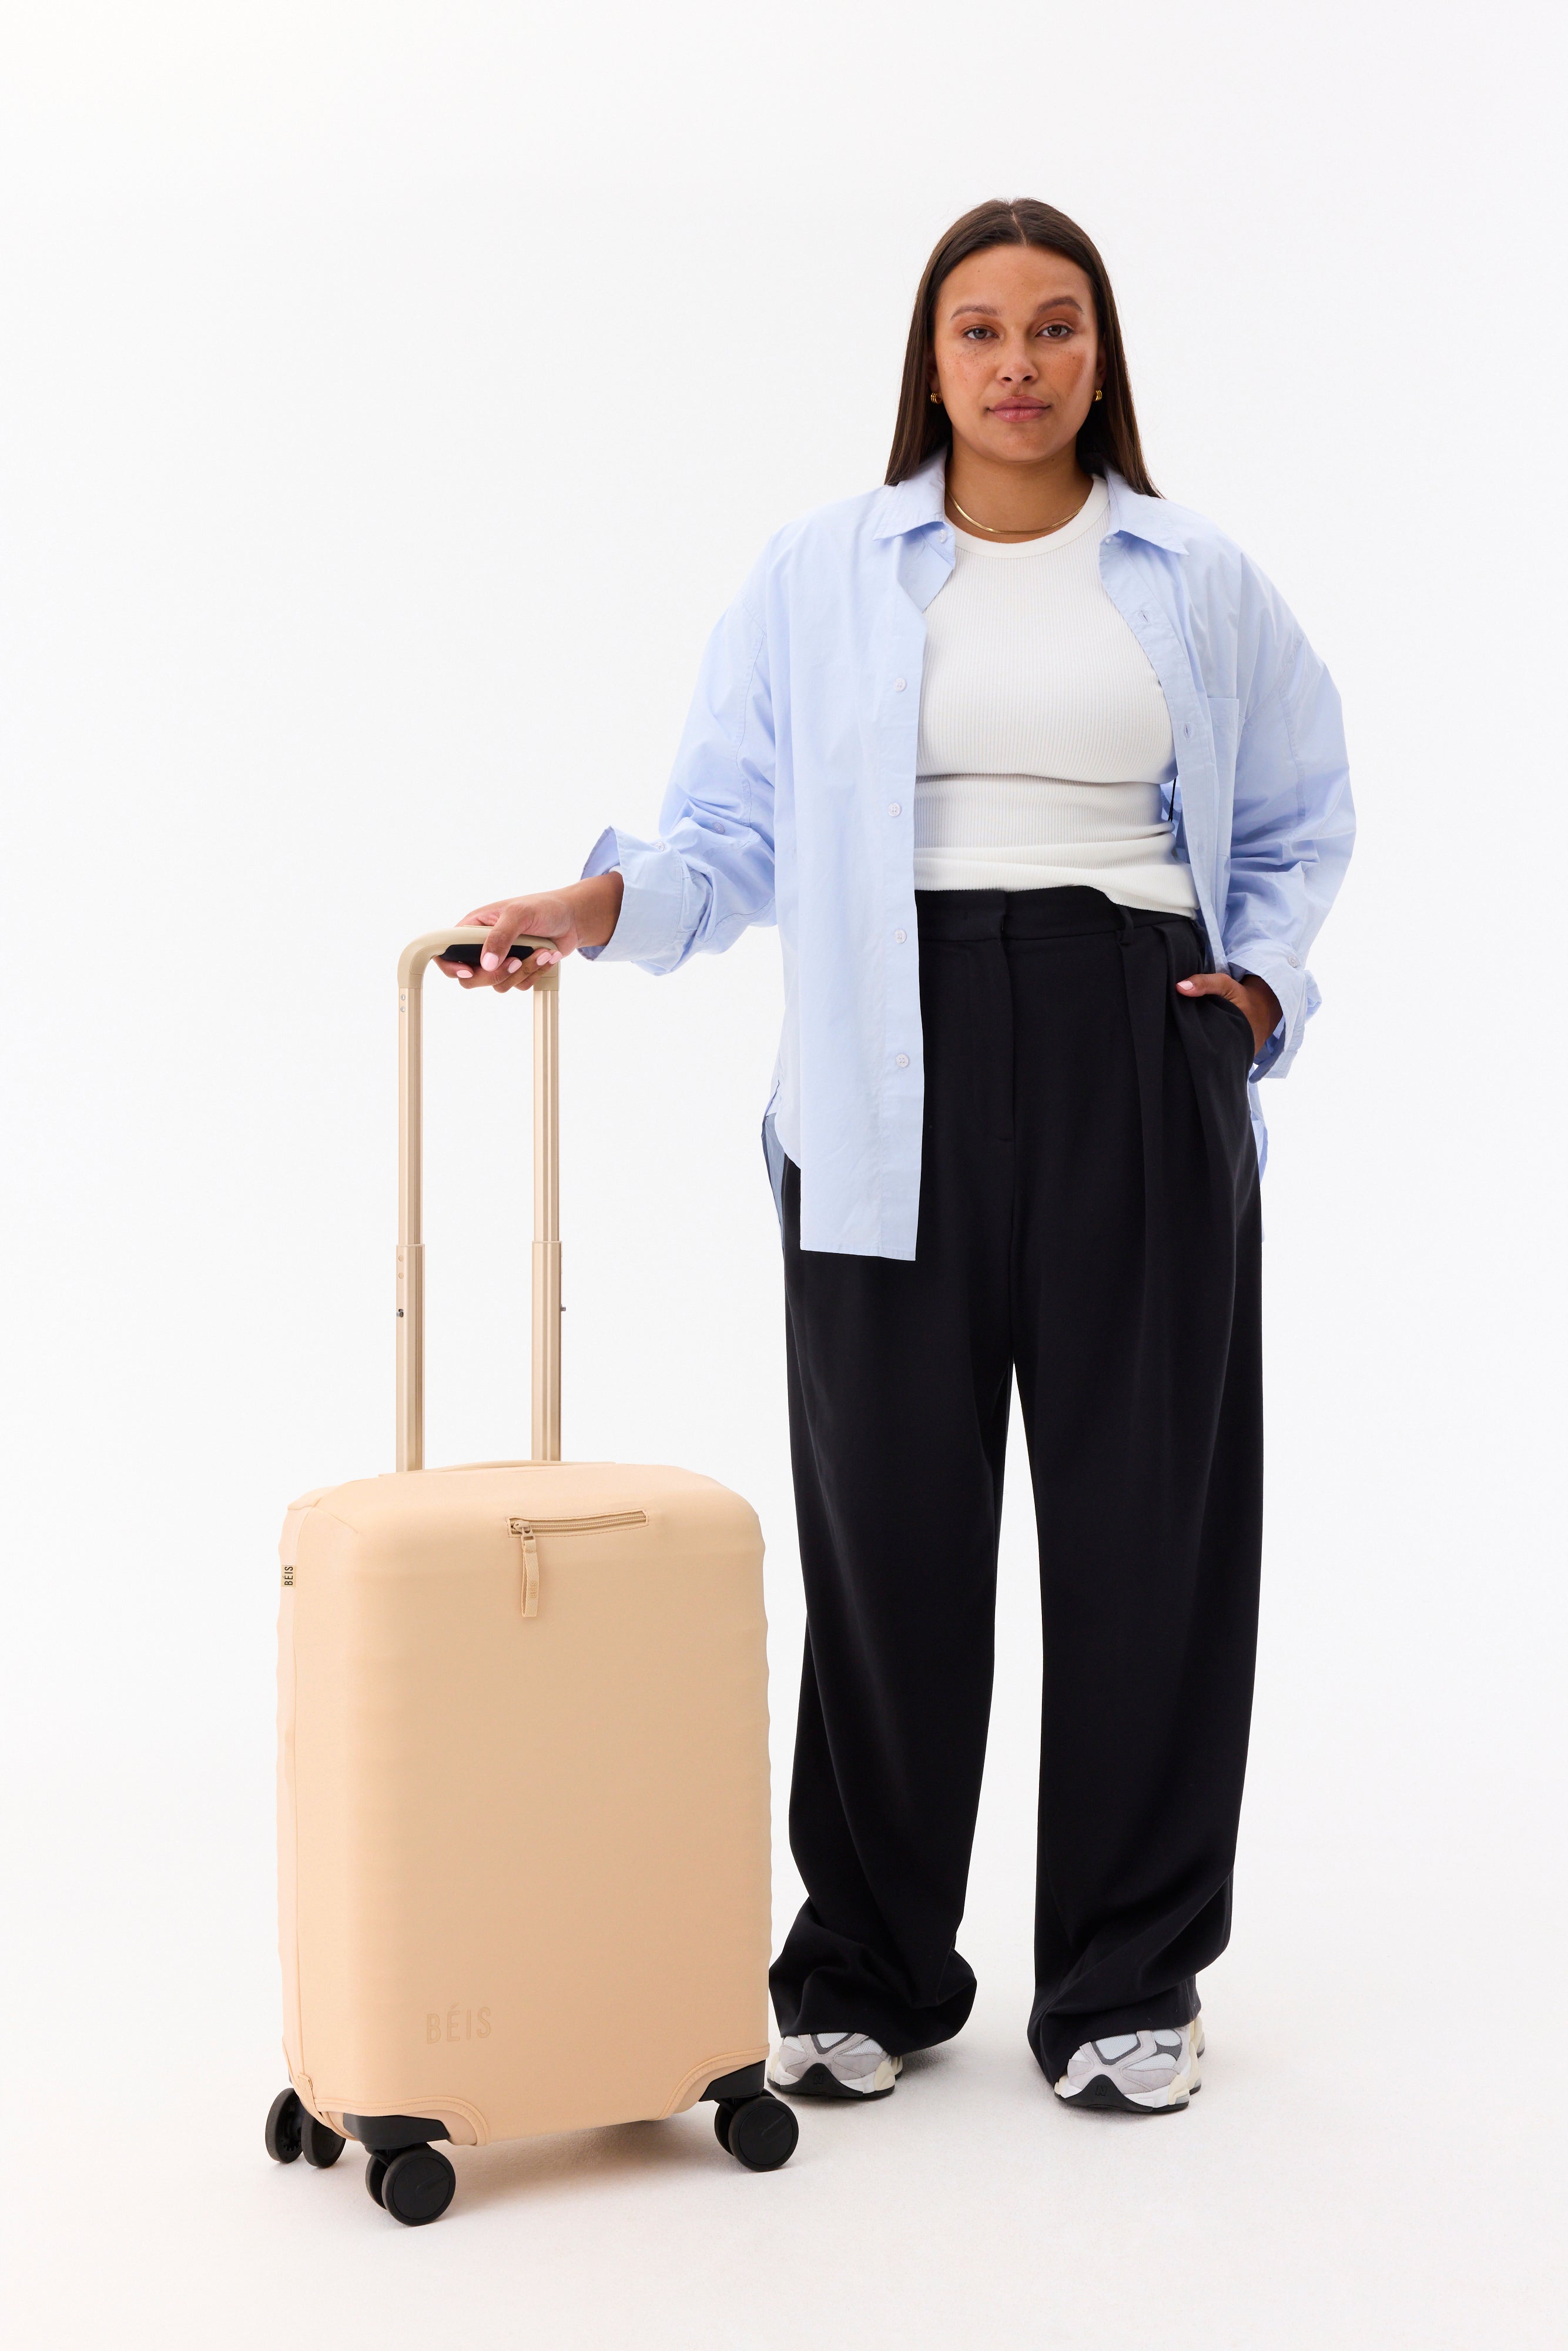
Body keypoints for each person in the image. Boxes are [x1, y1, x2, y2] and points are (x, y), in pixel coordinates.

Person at [440, 198, 1353, 2116]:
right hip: (879, 1068)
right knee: (889, 1539)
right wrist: (596, 906)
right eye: (977, 332)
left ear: (1100, 355)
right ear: (926, 362)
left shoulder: (1191, 574)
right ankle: (865, 1963)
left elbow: (1295, 815)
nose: (1016, 364)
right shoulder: (822, 573)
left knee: (1148, 1538)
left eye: (1052, 327)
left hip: (1132, 1041)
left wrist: (1251, 997)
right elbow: (726, 832)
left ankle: (1123, 1984)